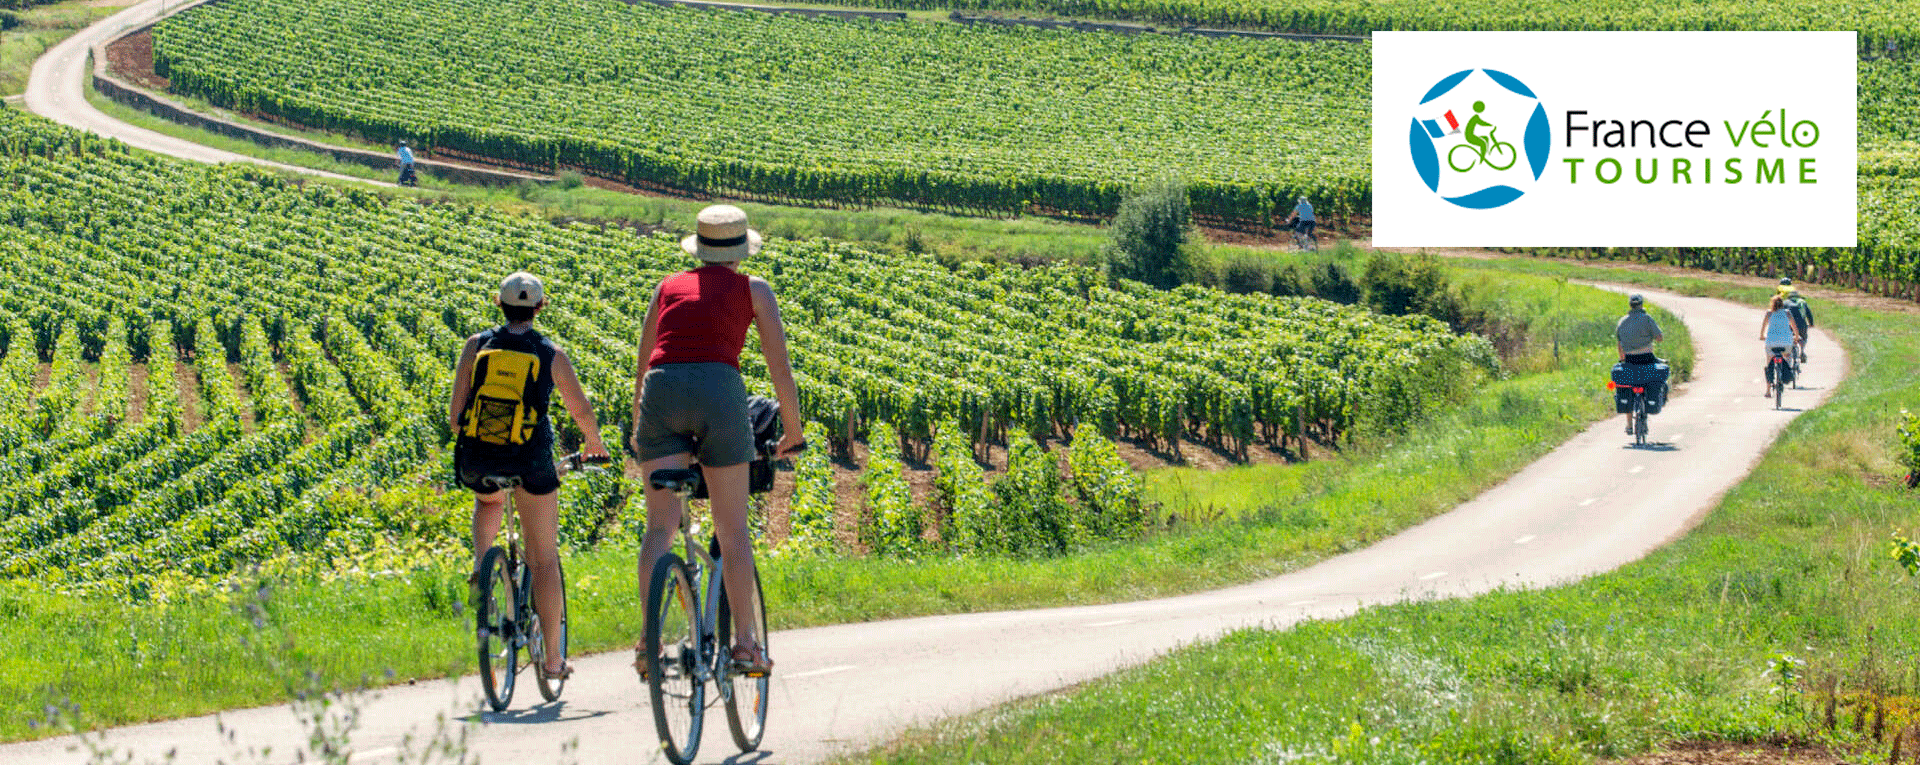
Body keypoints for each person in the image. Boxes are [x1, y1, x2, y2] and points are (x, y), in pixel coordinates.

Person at [632, 205, 804, 675]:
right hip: (720, 391)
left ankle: (648, 644)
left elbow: (645, 360)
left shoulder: (667, 287)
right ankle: (745, 644)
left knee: (659, 529)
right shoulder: (754, 290)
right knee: (731, 530)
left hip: (660, 391)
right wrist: (793, 430)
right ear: (740, 250)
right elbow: (779, 368)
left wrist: (637, 424)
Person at [450, 271, 610, 680]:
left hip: (478, 458)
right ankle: (554, 662)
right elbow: (580, 408)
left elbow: (456, 416)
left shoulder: (476, 345)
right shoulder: (549, 353)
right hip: (531, 458)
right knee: (543, 561)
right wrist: (593, 441)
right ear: (540, 308)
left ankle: (482, 569)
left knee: (487, 499)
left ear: (498, 304)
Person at [1759, 293, 1804, 394]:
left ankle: (1768, 390)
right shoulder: (1787, 313)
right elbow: (1795, 329)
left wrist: (1762, 336)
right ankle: (1785, 373)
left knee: (1769, 363)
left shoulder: (1769, 313)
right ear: (1782, 304)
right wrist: (1796, 337)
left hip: (1771, 343)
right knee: (1787, 356)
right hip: (1786, 343)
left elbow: (1763, 329)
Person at [1615, 293, 1663, 365]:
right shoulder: (1647, 318)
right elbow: (1659, 338)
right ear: (1641, 304)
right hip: (1647, 357)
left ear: (1630, 305)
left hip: (1629, 358)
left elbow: (1619, 343)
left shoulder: (1622, 321)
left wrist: (1622, 358)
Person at [1777, 278, 1815, 361]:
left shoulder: (1785, 302)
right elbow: (1809, 314)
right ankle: (1802, 351)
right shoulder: (1803, 302)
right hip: (1802, 325)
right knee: (1804, 337)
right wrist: (1811, 324)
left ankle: (1787, 353)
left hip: (1789, 325)